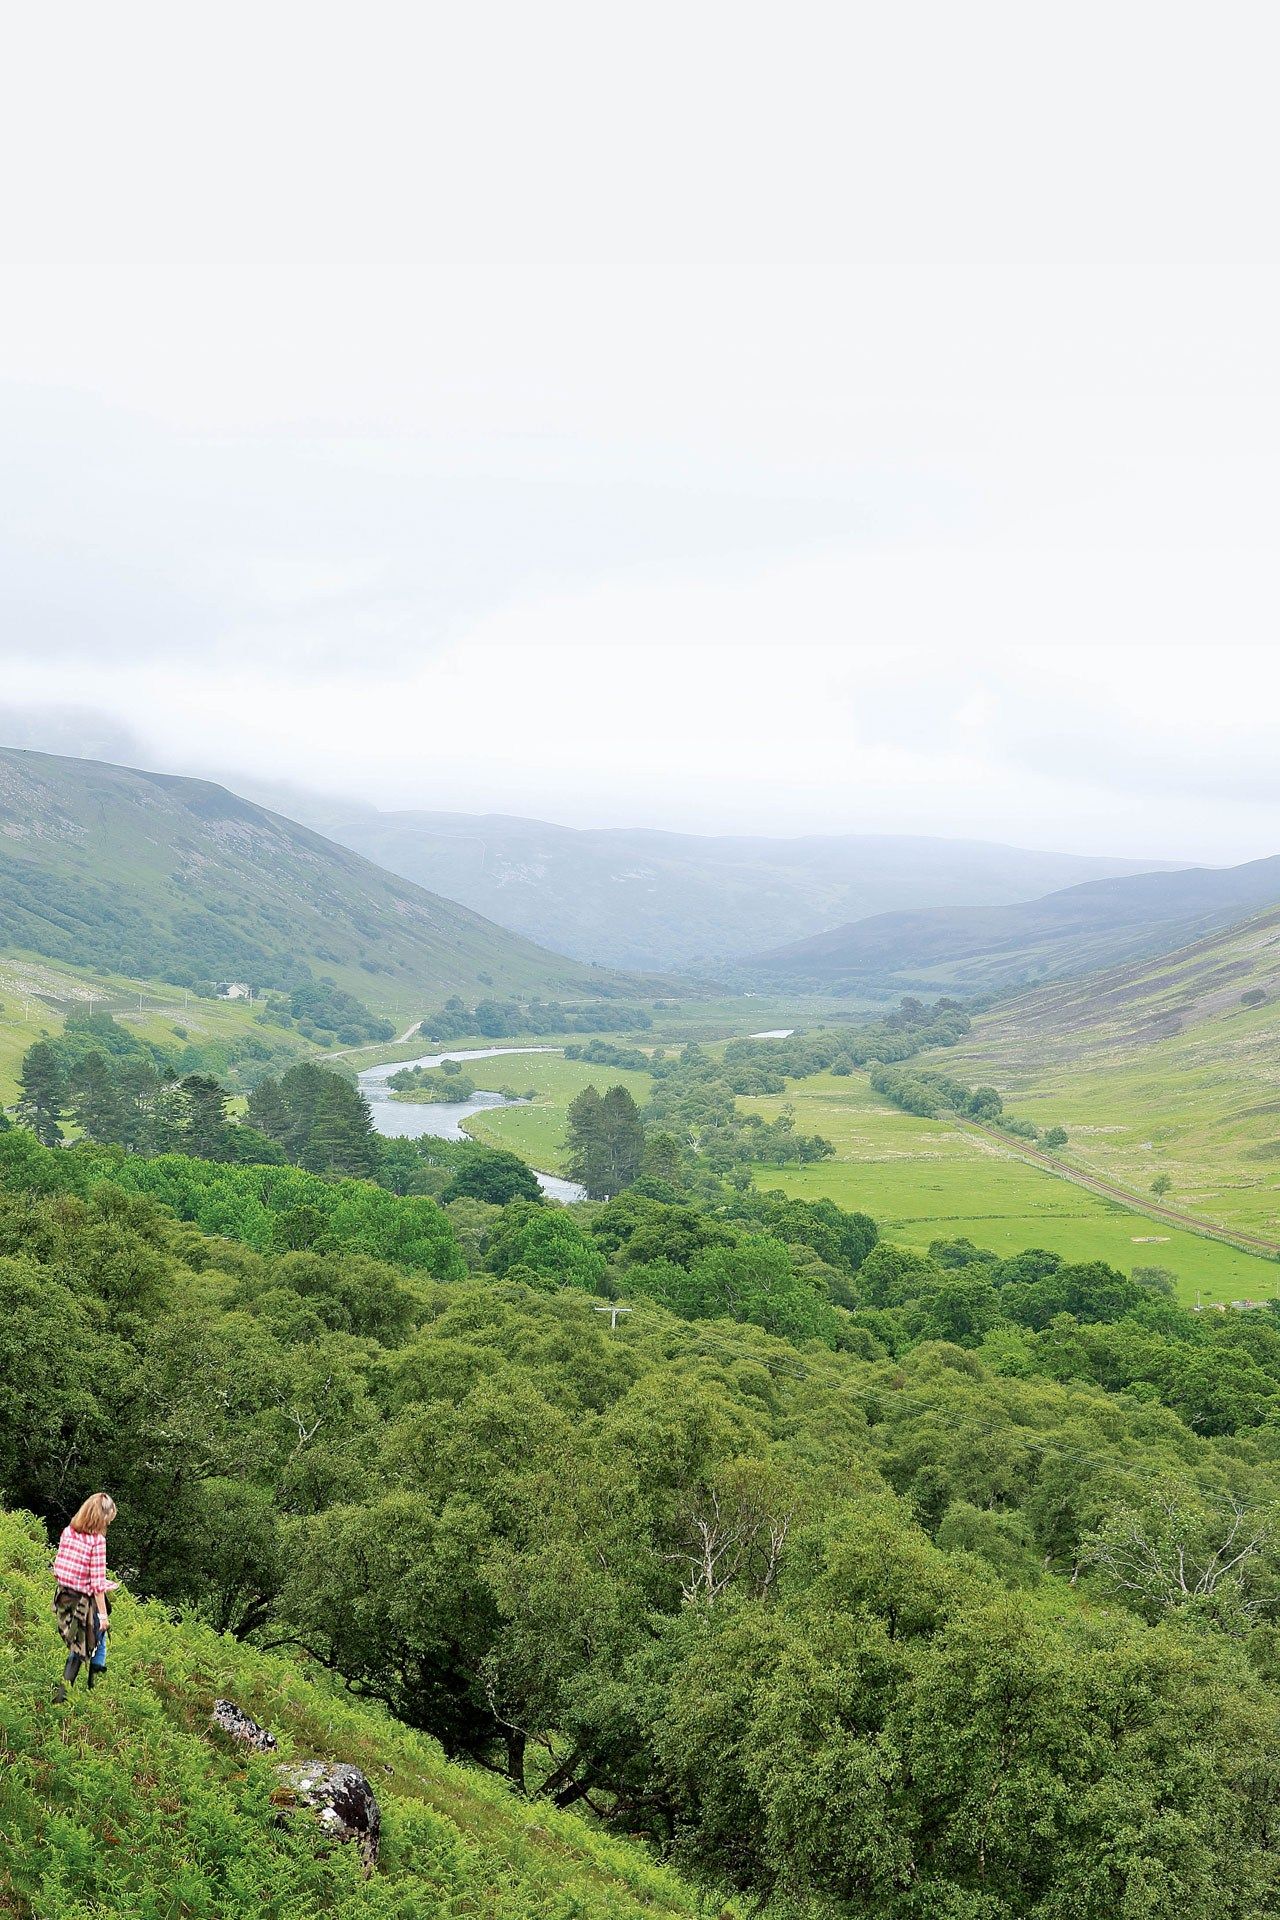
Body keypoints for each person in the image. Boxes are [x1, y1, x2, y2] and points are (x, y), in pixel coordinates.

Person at [51, 1492, 119, 1701]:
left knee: (87, 1640)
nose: (108, 1523)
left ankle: (93, 1674)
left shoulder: (69, 1531)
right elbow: (97, 1585)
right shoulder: (97, 1541)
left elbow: (60, 1567)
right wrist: (105, 1617)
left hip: (64, 1597)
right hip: (82, 1600)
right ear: (101, 1517)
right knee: (89, 1639)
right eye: (108, 1519)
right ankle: (69, 1693)